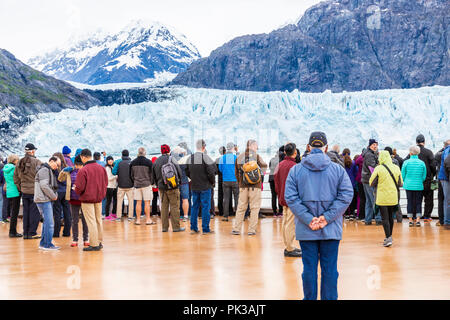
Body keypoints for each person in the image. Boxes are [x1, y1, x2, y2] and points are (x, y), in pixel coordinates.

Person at [285, 131, 353, 300]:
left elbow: (291, 198)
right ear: (326, 148)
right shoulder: (338, 170)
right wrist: (326, 217)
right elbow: (346, 195)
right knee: (330, 269)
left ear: (308, 147)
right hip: (331, 228)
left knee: (309, 269)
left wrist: (309, 219)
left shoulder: (296, 170)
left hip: (307, 229)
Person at [231, 139, 268, 236]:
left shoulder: (239, 157)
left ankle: (236, 229)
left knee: (241, 207)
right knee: (254, 208)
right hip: (255, 187)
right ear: (251, 145)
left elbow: (236, 172)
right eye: (256, 145)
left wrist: (240, 183)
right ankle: (251, 230)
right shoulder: (257, 156)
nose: (257, 147)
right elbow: (264, 167)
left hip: (243, 187)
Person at [75, 149, 108, 251]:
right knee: (98, 220)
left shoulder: (83, 170)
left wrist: (76, 190)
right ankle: (99, 241)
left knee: (91, 221)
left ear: (83, 157)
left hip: (87, 199)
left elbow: (79, 187)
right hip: (98, 198)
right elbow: (105, 183)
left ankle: (94, 244)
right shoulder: (101, 168)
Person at [369, 150, 403, 247]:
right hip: (393, 196)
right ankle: (389, 236)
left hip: (382, 197)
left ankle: (388, 238)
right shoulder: (396, 167)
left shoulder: (378, 168)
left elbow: (371, 182)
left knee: (385, 218)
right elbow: (400, 183)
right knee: (391, 217)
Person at [274, 142, 302, 258]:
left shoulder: (279, 165)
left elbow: (276, 181)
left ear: (285, 152)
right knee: (290, 223)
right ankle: (289, 248)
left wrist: (280, 193)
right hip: (292, 198)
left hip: (282, 197)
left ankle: (288, 245)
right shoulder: (295, 167)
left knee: (285, 222)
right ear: (295, 153)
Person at [186, 139, 216, 234]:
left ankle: (194, 228)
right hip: (205, 186)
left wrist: (193, 178)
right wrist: (212, 182)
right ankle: (205, 229)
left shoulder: (190, 158)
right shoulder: (206, 158)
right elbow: (211, 172)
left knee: (194, 207)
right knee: (205, 207)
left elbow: (187, 171)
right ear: (204, 147)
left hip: (194, 186)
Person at [152, 144, 185, 232]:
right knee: (174, 206)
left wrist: (158, 184)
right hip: (173, 187)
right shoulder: (172, 159)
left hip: (162, 188)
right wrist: (179, 182)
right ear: (168, 150)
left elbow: (153, 176)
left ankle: (164, 227)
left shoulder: (157, 161)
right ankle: (176, 227)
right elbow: (179, 172)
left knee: (164, 207)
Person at [404, 134, 436, 222]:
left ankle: (414, 216)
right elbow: (433, 165)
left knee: (416, 200)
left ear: (416, 142)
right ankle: (426, 216)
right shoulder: (429, 152)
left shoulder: (412, 152)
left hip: (416, 181)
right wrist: (433, 174)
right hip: (427, 180)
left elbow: (404, 162)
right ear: (424, 142)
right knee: (428, 199)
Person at [58, 156, 89, 247]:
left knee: (85, 220)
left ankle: (86, 238)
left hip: (84, 199)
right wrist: (63, 171)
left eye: (79, 165)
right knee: (74, 220)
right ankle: (75, 239)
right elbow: (60, 179)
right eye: (76, 165)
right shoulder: (70, 171)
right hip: (73, 199)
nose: (77, 167)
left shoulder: (86, 171)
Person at [13, 143, 42, 239]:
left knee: (26, 212)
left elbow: (15, 177)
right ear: (32, 151)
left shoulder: (19, 162)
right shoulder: (37, 162)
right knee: (35, 212)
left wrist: (20, 187)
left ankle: (25, 233)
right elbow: (41, 176)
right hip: (34, 191)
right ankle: (32, 233)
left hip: (24, 191)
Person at [34, 156, 60, 250]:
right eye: (57, 165)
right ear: (52, 161)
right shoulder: (45, 170)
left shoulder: (46, 170)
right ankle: (47, 244)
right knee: (49, 223)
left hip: (43, 199)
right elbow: (44, 186)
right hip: (43, 199)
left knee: (46, 222)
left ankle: (43, 243)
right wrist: (53, 196)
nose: (57, 167)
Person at [402, 146, 427, 227]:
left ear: (410, 153)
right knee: (418, 202)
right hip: (419, 185)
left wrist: (406, 181)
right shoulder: (422, 163)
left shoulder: (406, 162)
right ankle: (418, 220)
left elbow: (402, 175)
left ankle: (410, 221)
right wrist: (419, 181)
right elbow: (424, 176)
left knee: (410, 202)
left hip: (408, 185)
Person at [129, 147, 154, 225]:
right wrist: (151, 182)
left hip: (137, 185)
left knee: (138, 203)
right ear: (144, 153)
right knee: (147, 202)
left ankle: (138, 220)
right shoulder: (149, 162)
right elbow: (152, 175)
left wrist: (134, 181)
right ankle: (148, 220)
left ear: (138, 153)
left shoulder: (132, 162)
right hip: (146, 184)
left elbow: (131, 175)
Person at [361, 139, 381, 225]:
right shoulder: (369, 155)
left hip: (366, 180)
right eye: (373, 144)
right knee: (374, 200)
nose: (375, 146)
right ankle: (378, 219)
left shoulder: (369, 154)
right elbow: (373, 168)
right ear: (369, 146)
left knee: (369, 201)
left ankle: (368, 219)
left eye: (376, 144)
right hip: (370, 180)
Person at [52, 152, 71, 238]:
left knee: (57, 213)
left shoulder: (55, 168)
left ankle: (56, 233)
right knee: (67, 212)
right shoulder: (66, 167)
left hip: (57, 192)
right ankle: (67, 232)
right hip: (66, 191)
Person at [219, 142, 239, 222]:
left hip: (225, 180)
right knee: (237, 198)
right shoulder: (235, 157)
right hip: (235, 180)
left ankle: (225, 216)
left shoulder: (222, 158)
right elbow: (239, 168)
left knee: (226, 198)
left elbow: (220, 169)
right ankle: (238, 215)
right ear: (232, 148)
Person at [112, 150, 134, 222]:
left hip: (121, 185)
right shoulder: (131, 162)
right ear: (128, 155)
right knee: (131, 201)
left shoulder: (119, 162)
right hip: (130, 185)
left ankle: (118, 217)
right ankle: (130, 217)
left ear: (122, 155)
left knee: (119, 201)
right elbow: (133, 173)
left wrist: (119, 172)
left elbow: (114, 172)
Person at [4, 155, 22, 237]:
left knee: (12, 213)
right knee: (15, 213)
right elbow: (18, 179)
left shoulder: (5, 169)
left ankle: (12, 231)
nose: (18, 161)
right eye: (17, 160)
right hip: (15, 192)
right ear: (14, 160)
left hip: (9, 192)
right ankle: (12, 232)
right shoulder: (14, 168)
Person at [435, 141, 449, 226]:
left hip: (440, 178)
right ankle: (445, 221)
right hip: (445, 177)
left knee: (441, 199)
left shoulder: (439, 153)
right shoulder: (446, 152)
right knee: (446, 200)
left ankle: (441, 220)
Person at [344, 152, 358, 220]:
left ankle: (346, 214)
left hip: (345, 184)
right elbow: (356, 172)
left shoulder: (342, 163)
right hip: (352, 183)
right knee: (353, 199)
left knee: (345, 200)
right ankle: (352, 214)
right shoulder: (353, 163)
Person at [269, 151, 283, 217]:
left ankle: (274, 212)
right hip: (278, 179)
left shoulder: (271, 159)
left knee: (273, 196)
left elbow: (270, 167)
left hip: (271, 178)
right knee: (279, 195)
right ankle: (280, 211)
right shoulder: (281, 160)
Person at [104, 156, 118, 220]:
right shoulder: (107, 168)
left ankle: (113, 213)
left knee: (115, 200)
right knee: (108, 201)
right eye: (109, 160)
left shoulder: (113, 167)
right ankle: (107, 215)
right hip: (109, 187)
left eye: (111, 159)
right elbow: (108, 178)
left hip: (114, 186)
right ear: (107, 161)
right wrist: (116, 176)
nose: (110, 161)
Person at [215, 146, 226, 217]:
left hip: (220, 178)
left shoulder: (217, 159)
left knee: (220, 195)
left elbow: (215, 171)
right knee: (227, 195)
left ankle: (221, 210)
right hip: (227, 178)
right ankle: (228, 210)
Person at [355, 151, 366, 221]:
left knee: (362, 198)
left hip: (359, 180)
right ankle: (366, 215)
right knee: (367, 198)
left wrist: (361, 155)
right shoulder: (368, 158)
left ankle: (361, 215)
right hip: (366, 180)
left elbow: (356, 162)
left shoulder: (360, 158)